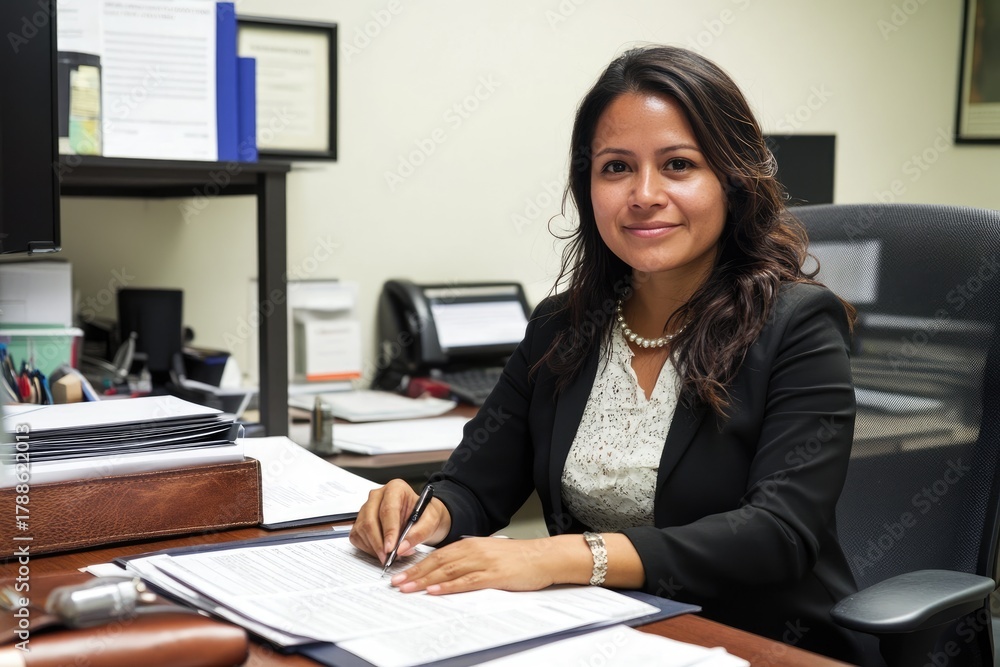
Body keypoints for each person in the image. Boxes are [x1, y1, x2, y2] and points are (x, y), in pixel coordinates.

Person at [351, 45, 876, 665]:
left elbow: (777, 534)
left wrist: (559, 557)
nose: (644, 194)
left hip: (758, 643)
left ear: (732, 181)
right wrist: (423, 513)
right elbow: (475, 484)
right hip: (601, 633)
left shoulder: (796, 326)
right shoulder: (562, 327)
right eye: (617, 167)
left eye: (678, 165)